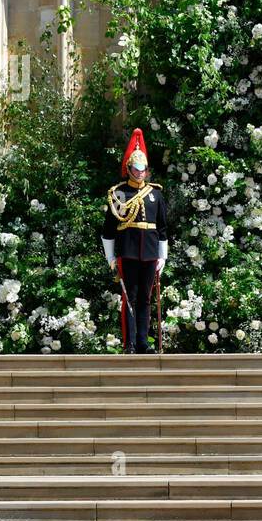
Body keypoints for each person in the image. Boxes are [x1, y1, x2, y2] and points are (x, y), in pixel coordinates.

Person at [102, 128, 168, 354]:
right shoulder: (118, 194)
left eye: (143, 169)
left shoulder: (155, 194)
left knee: (145, 299)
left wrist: (163, 255)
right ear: (129, 168)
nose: (140, 173)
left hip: (150, 253)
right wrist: (110, 256)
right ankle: (129, 343)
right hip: (128, 251)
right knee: (129, 298)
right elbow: (108, 229)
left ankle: (143, 341)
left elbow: (162, 228)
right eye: (136, 168)